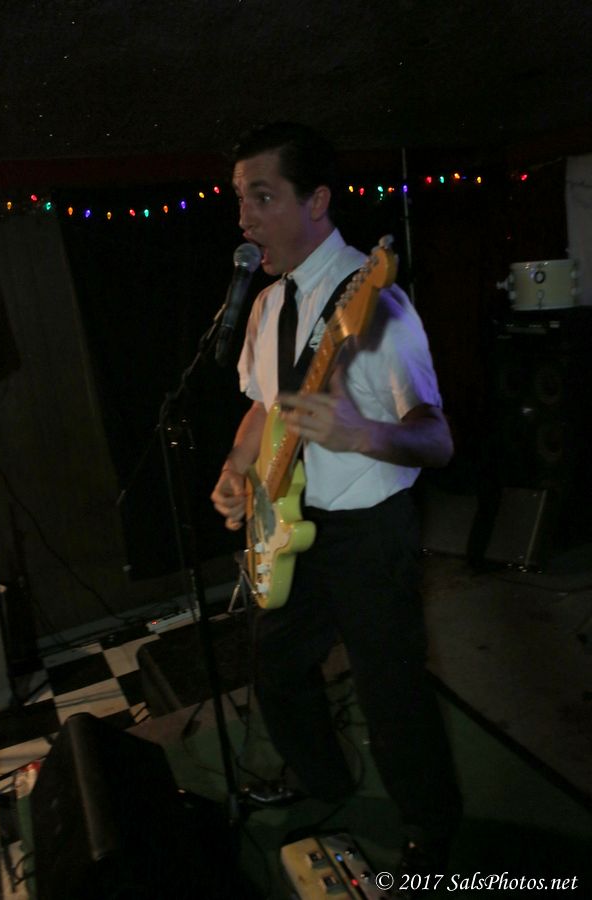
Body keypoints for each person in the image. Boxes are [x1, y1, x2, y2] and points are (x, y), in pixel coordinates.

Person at [211, 122, 462, 877]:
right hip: (290, 524)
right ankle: (321, 780)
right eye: (239, 199)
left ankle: (430, 831)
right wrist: (237, 466)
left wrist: (362, 434)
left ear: (317, 200)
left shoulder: (378, 304)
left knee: (391, 691)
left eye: (262, 197)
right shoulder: (266, 305)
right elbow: (263, 405)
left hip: (368, 532)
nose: (244, 218)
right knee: (277, 666)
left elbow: (436, 439)